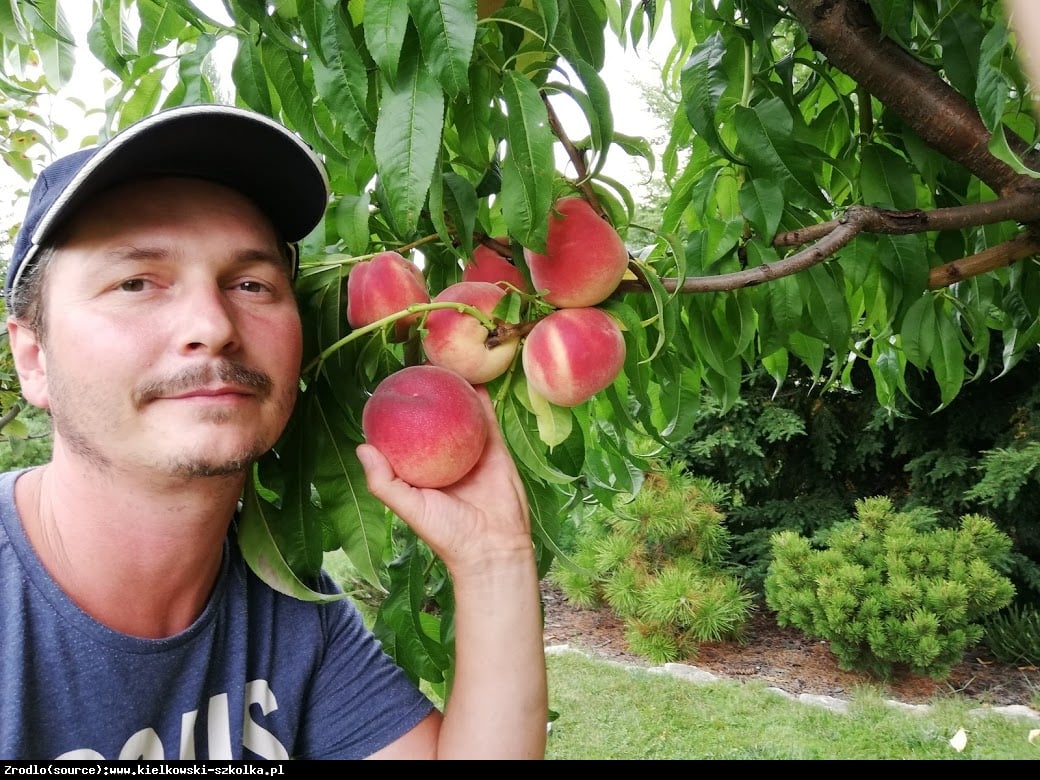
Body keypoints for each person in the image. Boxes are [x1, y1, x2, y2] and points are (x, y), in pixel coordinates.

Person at [0, 104, 548, 760]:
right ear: (33, 358)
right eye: (136, 282)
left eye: (253, 284)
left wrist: (494, 562)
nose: (215, 322)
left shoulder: (291, 609)